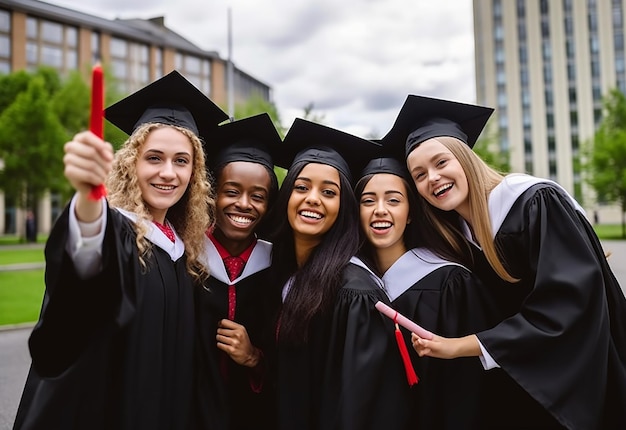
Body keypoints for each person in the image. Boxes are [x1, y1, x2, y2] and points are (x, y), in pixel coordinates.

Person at [382, 94, 626, 430]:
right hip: (524, 378)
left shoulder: (533, 201)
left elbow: (568, 305)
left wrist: (462, 346)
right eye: (419, 174)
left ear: (466, 159)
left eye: (441, 162)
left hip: (582, 371)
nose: (432, 178)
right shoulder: (458, 235)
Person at [13, 70, 229, 430]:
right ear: (131, 163)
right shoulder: (115, 231)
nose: (168, 173)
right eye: (154, 157)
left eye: (181, 160)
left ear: (195, 171)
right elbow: (84, 267)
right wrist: (87, 201)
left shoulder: (184, 251)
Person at [269, 118, 414, 430]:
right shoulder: (286, 275)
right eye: (301, 187)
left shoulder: (355, 295)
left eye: (329, 192)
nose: (312, 199)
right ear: (286, 198)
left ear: (343, 207)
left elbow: (357, 408)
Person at [351, 155, 502, 429]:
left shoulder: (450, 282)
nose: (380, 210)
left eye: (394, 200)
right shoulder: (348, 287)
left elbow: (471, 385)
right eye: (368, 201)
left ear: (410, 214)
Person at [195, 112, 282, 430]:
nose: (244, 204)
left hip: (254, 416)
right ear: (211, 195)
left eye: (258, 196)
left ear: (270, 206)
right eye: (231, 192)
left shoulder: (278, 269)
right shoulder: (183, 260)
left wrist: (254, 358)